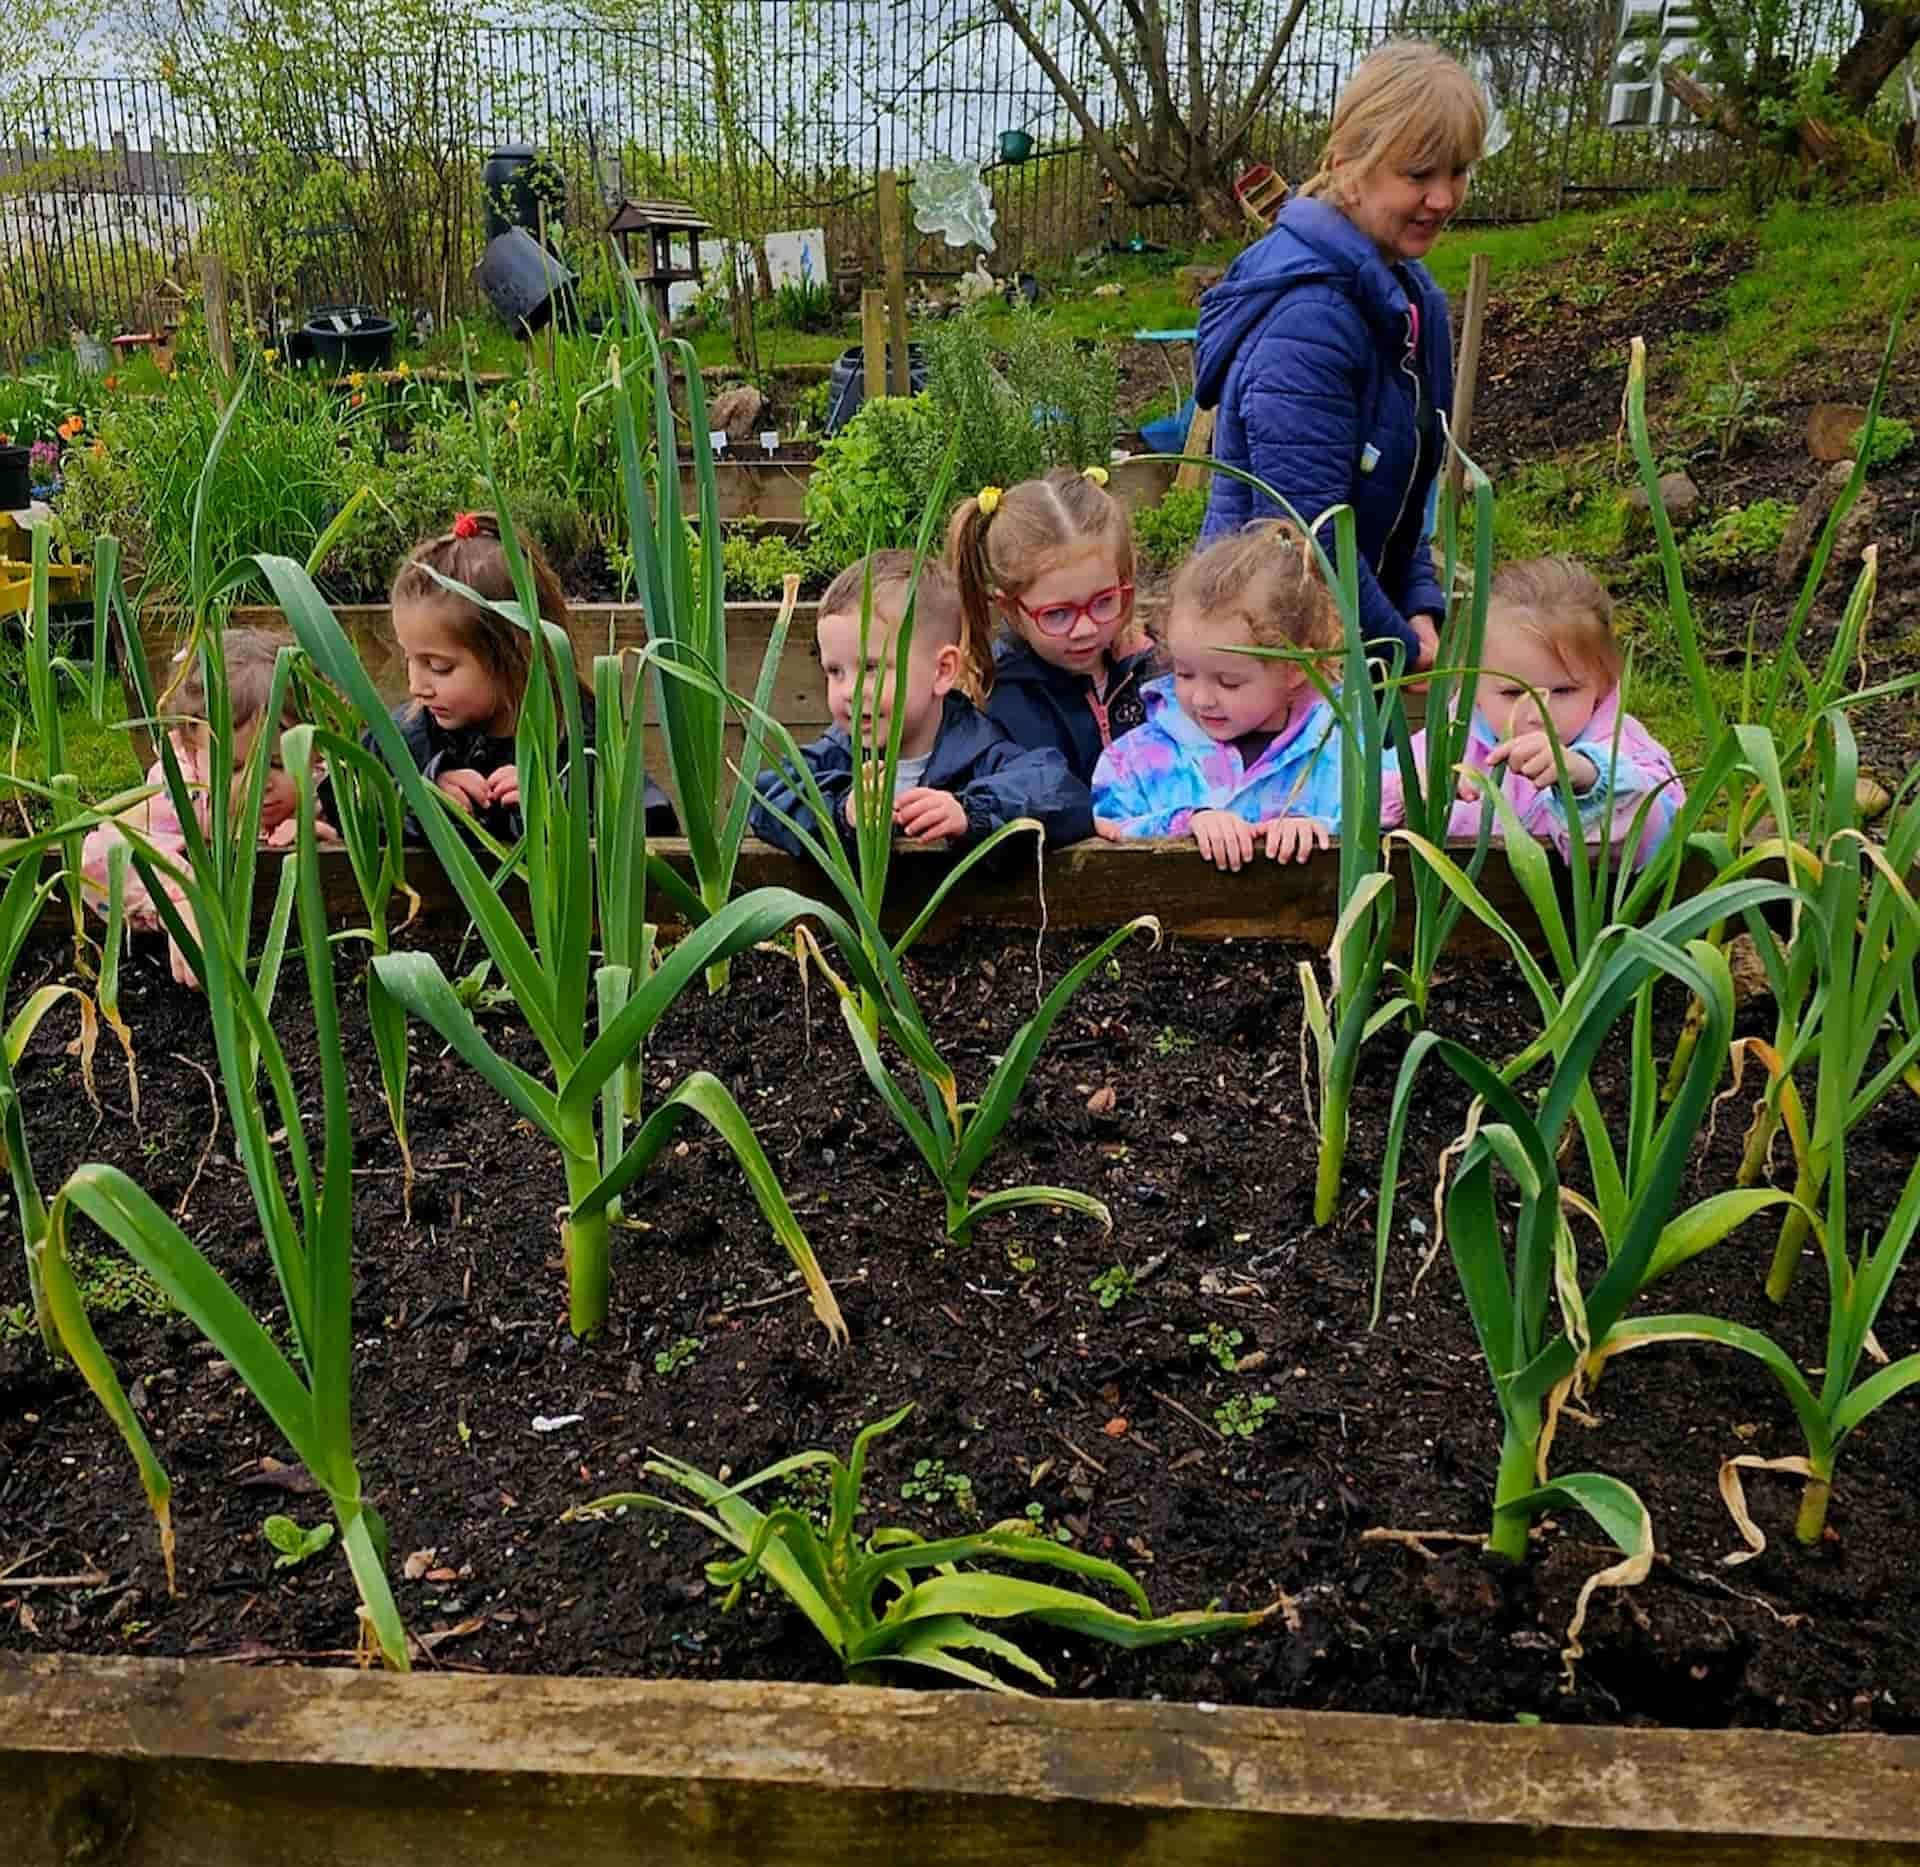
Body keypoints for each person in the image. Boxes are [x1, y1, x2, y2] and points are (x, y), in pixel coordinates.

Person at [1193, 40, 1489, 673]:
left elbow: (1408, 492)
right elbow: (1307, 535)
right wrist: (1400, 650)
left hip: (1345, 642)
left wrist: (1417, 601)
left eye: (1458, 171)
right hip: (1269, 667)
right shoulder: (1310, 323)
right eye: (1418, 175)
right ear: (1349, 163)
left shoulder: (1410, 299)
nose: (1443, 198)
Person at [749, 550, 1091, 858]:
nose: (848, 690)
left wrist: (971, 813)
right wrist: (842, 811)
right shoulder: (835, 754)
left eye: (871, 668)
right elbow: (765, 799)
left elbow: (1062, 792)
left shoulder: (979, 753)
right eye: (834, 671)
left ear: (942, 671)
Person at [382, 511, 678, 842]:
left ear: (515, 655)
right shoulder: (408, 736)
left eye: (439, 667)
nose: (416, 686)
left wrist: (559, 805)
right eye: (409, 659)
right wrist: (421, 795)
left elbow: (653, 822)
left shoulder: (582, 737)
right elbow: (349, 804)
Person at [1380, 556, 1683, 864]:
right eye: (1513, 692)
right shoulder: (1446, 741)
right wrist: (1405, 792)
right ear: (1474, 687)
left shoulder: (1625, 748)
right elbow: (1347, 802)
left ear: (1603, 682)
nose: (1539, 713)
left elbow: (1658, 841)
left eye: (1563, 691)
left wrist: (1589, 782)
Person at [81, 627, 332, 988]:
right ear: (191, 748)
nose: (258, 784)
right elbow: (102, 854)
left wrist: (314, 824)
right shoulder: (186, 793)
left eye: (278, 763)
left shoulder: (324, 781)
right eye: (232, 768)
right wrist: (180, 903)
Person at [1092, 523, 1343, 871]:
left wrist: (1322, 831)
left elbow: (1383, 813)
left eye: (1229, 682)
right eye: (1184, 673)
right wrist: (1184, 823)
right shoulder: (1136, 759)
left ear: (1296, 669)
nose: (1201, 698)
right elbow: (1105, 828)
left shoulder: (1336, 752)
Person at [948, 467, 1156, 783]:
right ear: (1011, 610)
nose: (1085, 629)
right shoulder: (1006, 704)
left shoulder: (1156, 669)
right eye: (1058, 614)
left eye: (1104, 601)